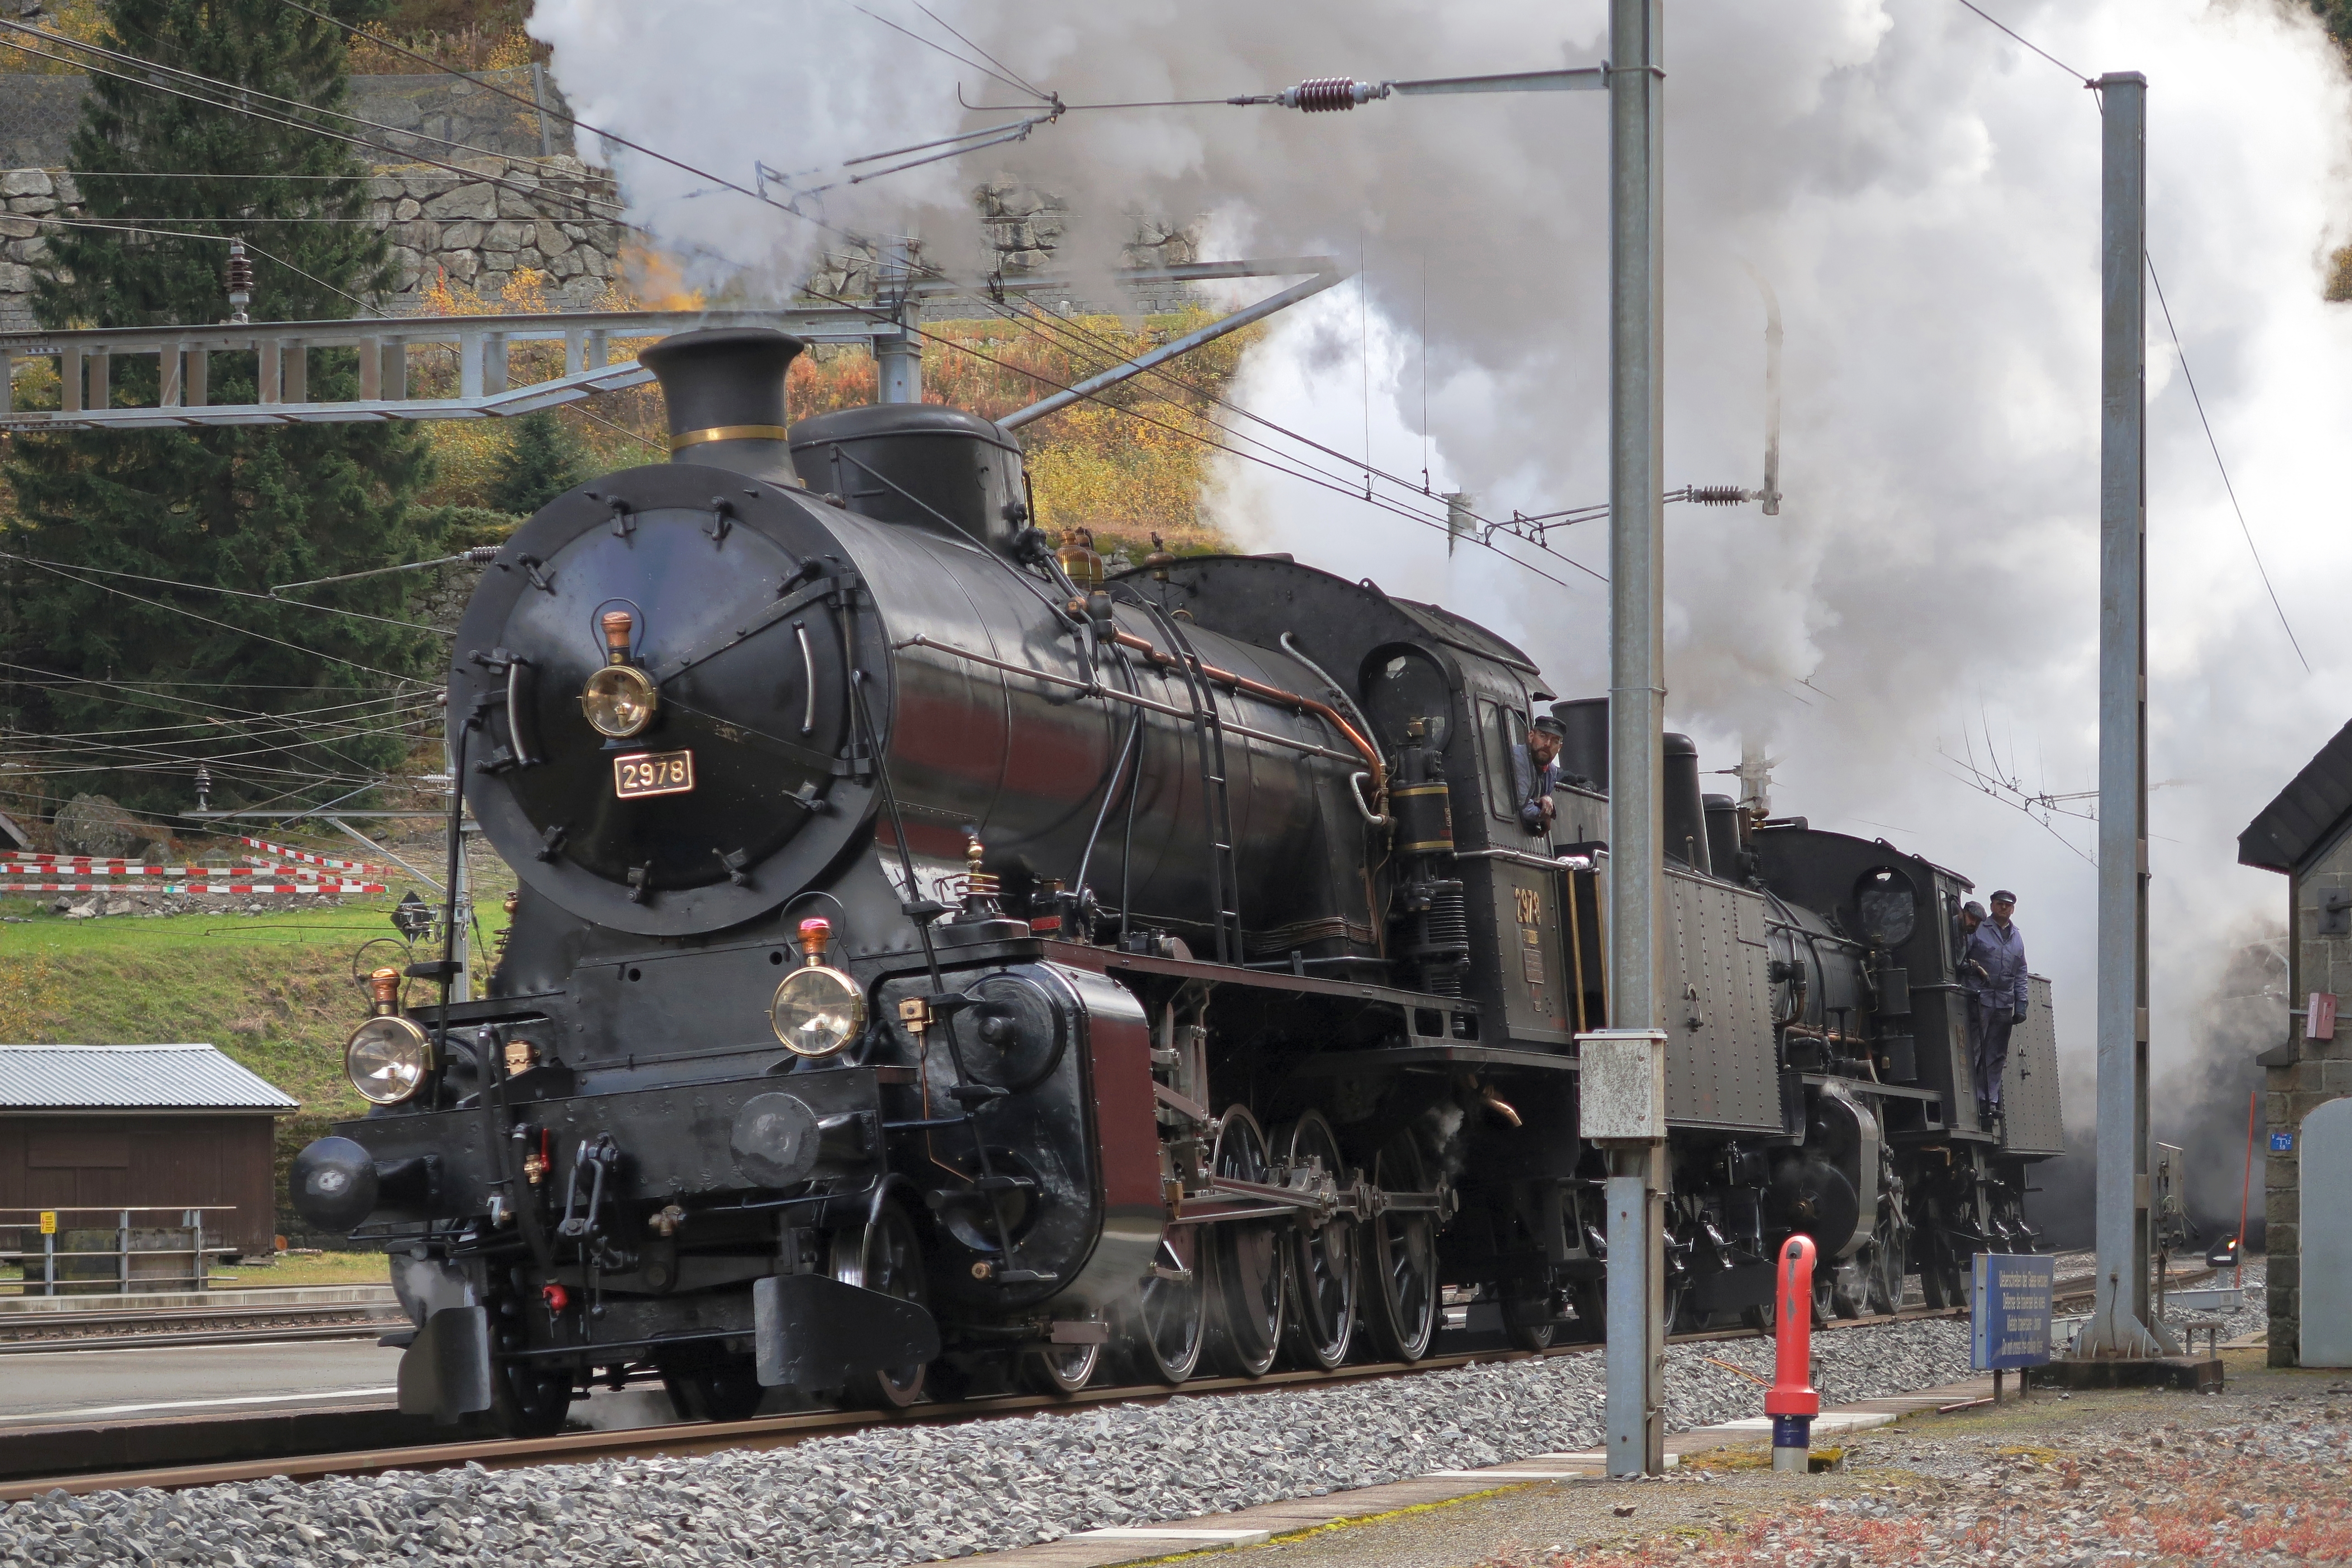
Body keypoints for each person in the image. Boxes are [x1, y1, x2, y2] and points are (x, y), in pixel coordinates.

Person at [1960, 890, 2029, 1125]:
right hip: (1980, 997)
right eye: (2000, 904)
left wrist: (2022, 1003)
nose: (2004, 909)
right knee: (1974, 1049)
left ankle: (1987, 1100)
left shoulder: (2017, 937)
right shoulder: (1979, 929)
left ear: (2013, 909)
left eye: (2008, 906)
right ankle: (1968, 1097)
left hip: (2005, 1002)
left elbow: (2021, 971)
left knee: (1997, 1054)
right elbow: (1962, 959)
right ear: (1992, 906)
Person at [1516, 714, 1564, 834]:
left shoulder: (1552, 771)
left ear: (1559, 748)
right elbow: (1526, 810)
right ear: (1531, 736)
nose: (1548, 744)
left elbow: (1541, 804)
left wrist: (1547, 800)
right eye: (1543, 736)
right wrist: (1547, 815)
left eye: (1555, 741)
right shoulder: (1518, 758)